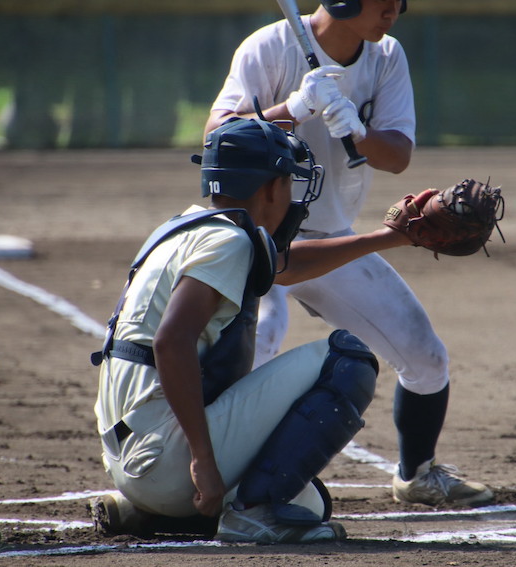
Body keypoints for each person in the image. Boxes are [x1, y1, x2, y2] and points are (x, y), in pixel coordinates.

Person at [203, 0, 494, 508]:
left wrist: (358, 131)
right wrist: (290, 111)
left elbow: (398, 156)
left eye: (399, 4)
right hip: (253, 237)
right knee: (257, 346)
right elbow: (216, 137)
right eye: (384, 2)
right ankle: (208, 478)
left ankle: (417, 475)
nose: (394, 12)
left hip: (328, 238)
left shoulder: (386, 56)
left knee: (426, 357)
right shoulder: (269, 48)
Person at [91, 117, 421, 543]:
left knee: (307, 501)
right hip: (166, 460)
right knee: (348, 360)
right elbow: (172, 342)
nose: (292, 194)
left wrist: (388, 238)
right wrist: (203, 463)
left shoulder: (185, 230)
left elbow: (287, 266)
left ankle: (149, 514)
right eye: (288, 182)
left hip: (131, 461)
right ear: (270, 188)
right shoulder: (228, 243)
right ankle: (253, 514)